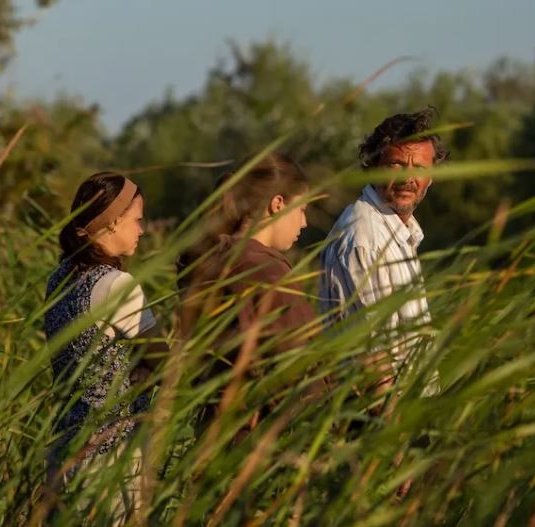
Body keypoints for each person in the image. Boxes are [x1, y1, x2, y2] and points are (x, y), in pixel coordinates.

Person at [44, 172, 163, 523]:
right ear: (112, 223)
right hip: (110, 460)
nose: (142, 230)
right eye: (137, 220)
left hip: (64, 448)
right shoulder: (117, 285)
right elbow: (162, 360)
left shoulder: (60, 277)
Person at [179, 152, 318, 435]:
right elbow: (303, 373)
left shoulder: (214, 259)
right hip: (257, 448)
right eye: (302, 209)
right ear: (277, 204)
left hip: (212, 436)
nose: (304, 223)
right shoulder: (266, 272)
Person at [319, 107, 448, 389]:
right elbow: (371, 355)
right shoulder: (364, 236)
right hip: (376, 419)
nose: (407, 179)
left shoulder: (398, 231)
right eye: (397, 165)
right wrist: (395, 429)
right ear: (374, 165)